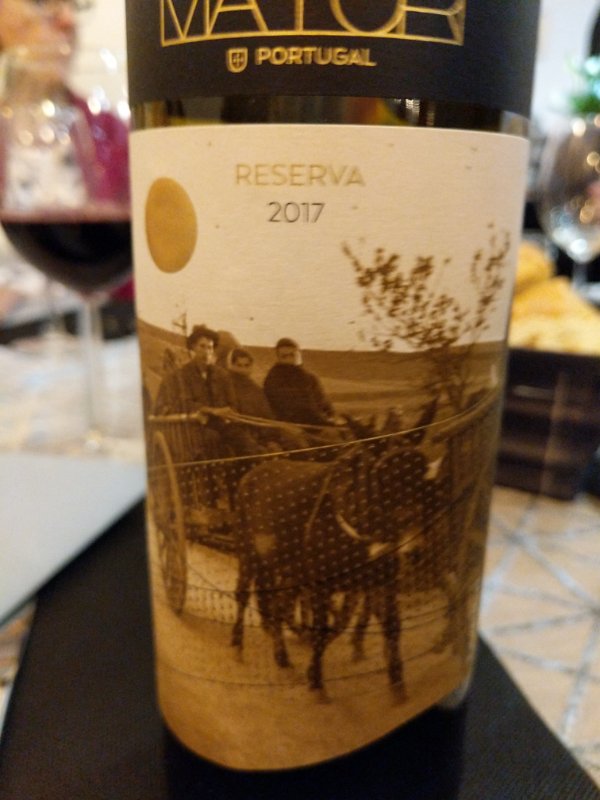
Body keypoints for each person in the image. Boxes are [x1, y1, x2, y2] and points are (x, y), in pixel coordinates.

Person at [263, 337, 337, 427]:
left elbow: (323, 401)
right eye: (284, 356)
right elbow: (297, 408)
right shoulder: (274, 378)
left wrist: (331, 416)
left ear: (299, 355)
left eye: (292, 355)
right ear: (278, 358)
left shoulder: (310, 377)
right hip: (292, 426)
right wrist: (324, 422)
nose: (289, 359)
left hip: (317, 422)